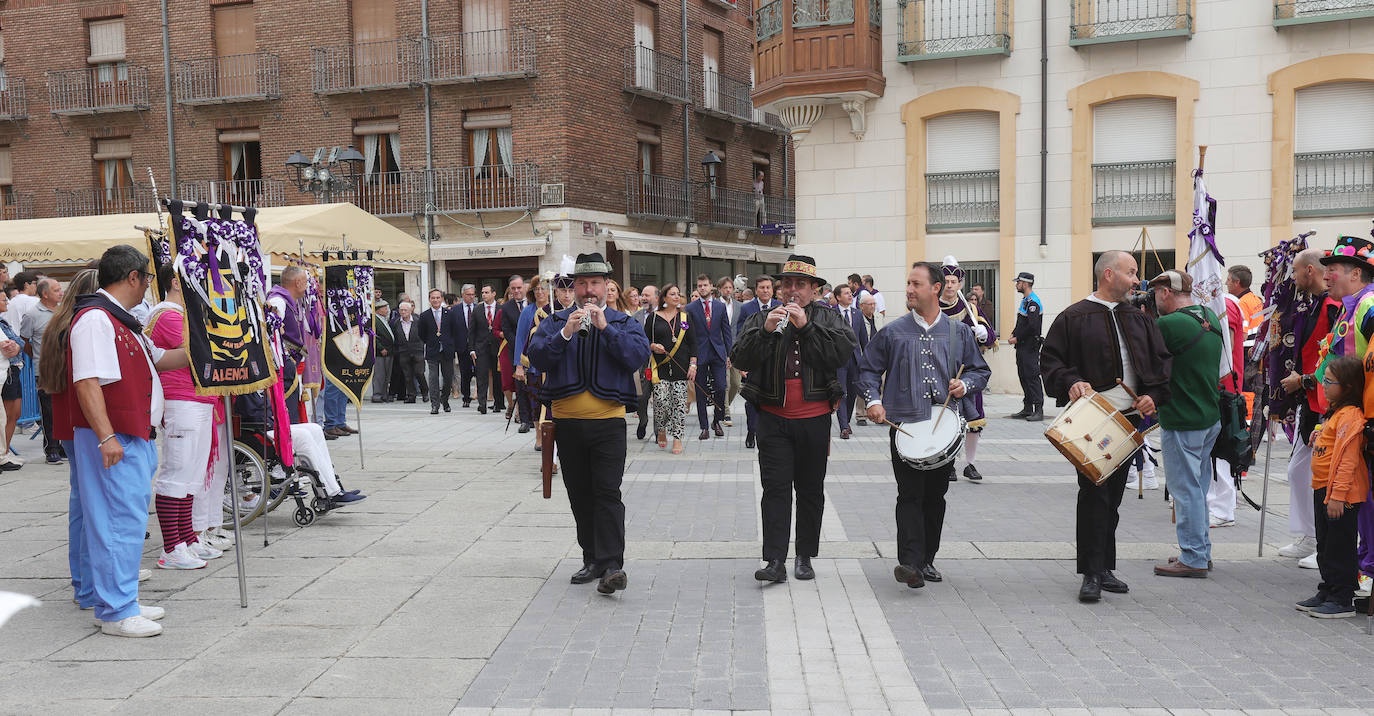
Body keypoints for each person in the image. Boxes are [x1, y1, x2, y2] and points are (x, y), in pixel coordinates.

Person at [54, 245, 189, 637]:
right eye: (147, 278)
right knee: (117, 523)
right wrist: (106, 436)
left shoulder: (117, 319)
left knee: (121, 521)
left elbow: (158, 359)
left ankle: (118, 598)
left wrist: (197, 347)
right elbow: (88, 381)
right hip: (117, 437)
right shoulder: (97, 319)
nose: (149, 285)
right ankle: (115, 609)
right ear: (133, 277)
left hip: (131, 435)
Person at [1040, 250, 1171, 603]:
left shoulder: (1140, 318)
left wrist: (1152, 397)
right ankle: (1091, 571)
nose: (1136, 280)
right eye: (1131, 272)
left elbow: (1160, 364)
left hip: (1129, 421)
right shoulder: (1073, 317)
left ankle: (1104, 566)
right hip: (1092, 420)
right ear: (1108, 274)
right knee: (1094, 492)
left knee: (1112, 497)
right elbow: (1051, 362)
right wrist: (1071, 381)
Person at [860, 262, 990, 588]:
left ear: (935, 288)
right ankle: (910, 563)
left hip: (945, 430)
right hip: (904, 426)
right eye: (907, 283)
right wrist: (873, 401)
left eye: (915, 283)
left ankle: (927, 559)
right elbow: (867, 370)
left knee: (935, 497)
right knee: (909, 495)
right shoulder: (892, 331)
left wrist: (966, 385)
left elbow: (979, 371)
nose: (909, 289)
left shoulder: (958, 332)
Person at [527, 252, 650, 595]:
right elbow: (537, 358)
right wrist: (565, 333)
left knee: (607, 493)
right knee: (580, 495)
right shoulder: (553, 321)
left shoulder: (623, 322)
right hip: (567, 424)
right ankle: (592, 558)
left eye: (594, 283)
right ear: (574, 288)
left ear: (607, 286)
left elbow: (635, 357)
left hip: (608, 424)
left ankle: (612, 565)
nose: (588, 290)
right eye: (581, 284)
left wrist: (604, 328)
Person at [731, 255, 856, 583]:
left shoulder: (828, 318)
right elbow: (739, 357)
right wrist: (768, 330)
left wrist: (806, 326)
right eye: (786, 283)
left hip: (814, 419)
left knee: (811, 489)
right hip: (773, 418)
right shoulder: (762, 318)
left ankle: (804, 555)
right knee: (775, 489)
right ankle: (774, 560)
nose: (792, 290)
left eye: (800, 284)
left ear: (814, 290)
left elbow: (841, 354)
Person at [145, 266, 227, 569]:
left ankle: (187, 539)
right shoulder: (168, 315)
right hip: (182, 401)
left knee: (192, 476)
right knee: (177, 474)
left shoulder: (181, 314)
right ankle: (172, 548)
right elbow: (203, 349)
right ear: (177, 282)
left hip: (198, 400)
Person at [1148, 270, 1224, 579]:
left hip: (1182, 418)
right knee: (1198, 488)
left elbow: (1143, 356)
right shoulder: (1210, 316)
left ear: (1165, 292)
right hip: (1208, 416)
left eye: (1155, 294)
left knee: (1186, 490)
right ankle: (1200, 551)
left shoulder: (1169, 324)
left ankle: (1192, 557)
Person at [1276, 248, 1338, 564]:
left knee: (1318, 473)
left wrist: (1304, 380)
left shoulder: (1332, 307)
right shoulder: (1314, 305)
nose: (1294, 278)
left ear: (1310, 271)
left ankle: (1322, 542)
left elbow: (1335, 358)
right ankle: (1312, 536)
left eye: (1297, 271)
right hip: (1310, 399)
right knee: (1299, 469)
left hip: (1324, 399)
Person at [1296, 354, 1366, 618]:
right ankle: (1327, 589)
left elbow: (1347, 461)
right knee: (1324, 545)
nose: (1323, 385)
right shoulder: (1337, 414)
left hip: (1340, 495)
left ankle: (1342, 598)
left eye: (1329, 381)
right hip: (1323, 488)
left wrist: (1337, 496)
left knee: (1339, 546)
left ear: (1347, 387)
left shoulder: (1351, 416)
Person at [938, 257, 996, 481]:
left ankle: (969, 463)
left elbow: (990, 337)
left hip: (967, 370)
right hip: (941, 369)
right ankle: (948, 461)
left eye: (954, 281)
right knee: (945, 417)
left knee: (973, 419)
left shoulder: (970, 307)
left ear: (960, 284)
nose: (950, 285)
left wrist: (983, 333)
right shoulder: (932, 305)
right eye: (947, 281)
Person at [1206, 283, 1248, 528]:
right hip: (1216, 386)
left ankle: (1223, 509)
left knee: (1222, 451)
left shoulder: (1226, 305)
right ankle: (1216, 504)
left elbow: (1227, 348)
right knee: (1213, 449)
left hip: (1225, 387)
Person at [645, 284, 697, 454]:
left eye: (678, 294)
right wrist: (653, 346)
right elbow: (644, 341)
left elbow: (693, 343)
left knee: (679, 405)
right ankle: (661, 429)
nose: (676, 297)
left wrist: (693, 364)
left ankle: (677, 439)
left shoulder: (684, 317)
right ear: (664, 298)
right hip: (660, 368)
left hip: (681, 367)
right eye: (672, 294)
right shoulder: (653, 318)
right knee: (661, 402)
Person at [22, 277, 64, 463]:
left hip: (65, 366)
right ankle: (51, 448)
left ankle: (63, 445)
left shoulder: (64, 311)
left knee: (64, 408)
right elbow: (23, 340)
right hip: (45, 370)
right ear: (45, 294)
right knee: (49, 410)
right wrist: (38, 357)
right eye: (56, 290)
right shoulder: (32, 314)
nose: (60, 292)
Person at [686, 274, 732, 440]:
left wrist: (729, 354)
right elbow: (688, 335)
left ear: (711, 286)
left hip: (718, 352)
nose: (702, 288)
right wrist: (691, 358)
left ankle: (717, 421)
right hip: (699, 354)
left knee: (721, 387)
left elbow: (726, 332)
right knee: (700, 391)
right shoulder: (690, 308)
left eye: (705, 285)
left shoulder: (720, 307)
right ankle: (704, 427)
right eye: (700, 285)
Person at [737, 275, 779, 449]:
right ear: (756, 290)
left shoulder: (779, 306)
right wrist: (741, 364)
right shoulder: (747, 309)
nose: (765, 290)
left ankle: (770, 432)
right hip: (754, 361)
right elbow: (740, 335)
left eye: (768, 287)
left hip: (774, 361)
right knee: (752, 398)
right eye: (762, 287)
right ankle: (751, 431)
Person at [515, 275, 554, 451]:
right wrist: (519, 365)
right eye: (536, 289)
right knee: (535, 400)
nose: (540, 292)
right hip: (533, 365)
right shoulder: (528, 311)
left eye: (543, 288)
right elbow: (521, 338)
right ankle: (539, 436)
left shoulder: (554, 309)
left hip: (552, 364)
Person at [1008, 271, 1044, 421]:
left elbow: (1033, 327)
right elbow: (1022, 323)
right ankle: (1028, 407)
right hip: (1023, 346)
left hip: (1029, 346)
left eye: (1018, 282)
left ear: (1025, 283)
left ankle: (1038, 409)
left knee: (1032, 377)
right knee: (1023, 376)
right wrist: (1013, 333)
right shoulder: (1026, 301)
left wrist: (1017, 337)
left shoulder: (1033, 303)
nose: (1017, 285)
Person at [419, 288, 462, 415]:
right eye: (433, 298)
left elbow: (455, 331)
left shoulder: (449, 314)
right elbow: (421, 334)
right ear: (429, 299)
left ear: (442, 299)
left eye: (438, 297)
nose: (436, 300)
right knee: (433, 378)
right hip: (433, 350)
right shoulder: (425, 315)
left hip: (447, 350)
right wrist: (431, 341)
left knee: (448, 378)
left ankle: (445, 401)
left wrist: (450, 344)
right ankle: (435, 405)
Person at [1227, 265, 1264, 391]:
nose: (1226, 283)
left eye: (1228, 280)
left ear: (1237, 283)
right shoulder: (1255, 299)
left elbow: (1242, 335)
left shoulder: (1241, 303)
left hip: (1246, 356)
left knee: (1244, 390)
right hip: (1256, 353)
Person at [500, 276, 529, 426]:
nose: (517, 291)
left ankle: (534, 417)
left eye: (519, 287)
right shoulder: (506, 307)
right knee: (519, 386)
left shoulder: (533, 304)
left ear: (524, 287)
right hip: (516, 352)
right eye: (513, 288)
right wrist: (520, 344)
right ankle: (523, 418)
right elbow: (506, 330)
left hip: (535, 351)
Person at [832, 284, 861, 439]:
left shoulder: (857, 314)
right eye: (846, 293)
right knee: (842, 393)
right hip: (839, 360)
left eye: (851, 293)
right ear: (838, 297)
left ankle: (847, 421)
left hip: (855, 360)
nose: (850, 295)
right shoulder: (832, 314)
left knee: (853, 393)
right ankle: (843, 426)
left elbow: (864, 339)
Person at [632, 285, 658, 441]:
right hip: (641, 364)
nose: (644, 298)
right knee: (641, 398)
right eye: (642, 295)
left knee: (660, 399)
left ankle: (658, 430)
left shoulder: (664, 315)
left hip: (660, 363)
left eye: (647, 295)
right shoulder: (636, 317)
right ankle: (643, 420)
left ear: (656, 297)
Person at [471, 284, 502, 415]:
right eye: (482, 292)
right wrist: (472, 349)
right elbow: (472, 331)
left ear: (493, 293)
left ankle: (498, 403)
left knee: (497, 375)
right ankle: (482, 403)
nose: (484, 295)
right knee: (481, 376)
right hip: (481, 348)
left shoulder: (501, 309)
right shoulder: (477, 310)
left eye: (487, 292)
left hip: (497, 347)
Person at [0, 291, 24, 458]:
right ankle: (4, 452)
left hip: (13, 369)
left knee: (14, 414)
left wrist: (16, 344)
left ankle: (5, 451)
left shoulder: (3, 321)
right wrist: (15, 344)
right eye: (3, 300)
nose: (7, 302)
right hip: (8, 370)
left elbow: (19, 342)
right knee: (8, 415)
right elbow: (11, 345)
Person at [718, 276, 742, 427]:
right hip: (719, 348)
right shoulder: (714, 305)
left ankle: (722, 406)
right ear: (719, 289)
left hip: (736, 348)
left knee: (736, 383)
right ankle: (726, 413)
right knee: (725, 382)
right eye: (725, 288)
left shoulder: (740, 306)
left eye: (730, 288)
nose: (728, 290)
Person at [392, 301, 424, 405]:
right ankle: (411, 395)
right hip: (403, 352)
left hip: (417, 351)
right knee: (407, 375)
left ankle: (425, 391)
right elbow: (394, 337)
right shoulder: (396, 323)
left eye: (405, 310)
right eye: (401, 310)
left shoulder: (418, 321)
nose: (403, 312)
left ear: (410, 310)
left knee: (419, 372)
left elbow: (424, 334)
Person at [454, 284, 478, 406]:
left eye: (473, 295)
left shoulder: (479, 308)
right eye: (468, 295)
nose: (471, 297)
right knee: (465, 373)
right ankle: (466, 397)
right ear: (463, 295)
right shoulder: (455, 310)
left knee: (480, 372)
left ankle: (481, 396)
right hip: (462, 346)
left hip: (477, 346)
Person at [371, 298, 394, 403]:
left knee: (386, 375)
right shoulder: (374, 320)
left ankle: (384, 394)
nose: (387, 310)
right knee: (379, 374)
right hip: (381, 352)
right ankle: (377, 395)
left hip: (389, 350)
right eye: (385, 308)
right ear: (378, 310)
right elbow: (373, 336)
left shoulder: (384, 319)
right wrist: (380, 347)